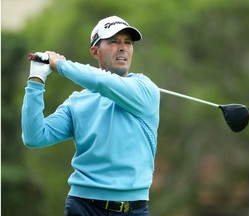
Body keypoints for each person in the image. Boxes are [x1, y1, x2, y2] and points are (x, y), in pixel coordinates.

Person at [21, 16, 160, 216]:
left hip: (133, 209)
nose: (122, 47)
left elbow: (102, 82)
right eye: (113, 41)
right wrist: (36, 81)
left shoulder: (145, 90)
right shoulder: (77, 103)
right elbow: (35, 137)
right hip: (83, 206)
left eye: (127, 42)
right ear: (95, 51)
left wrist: (61, 65)